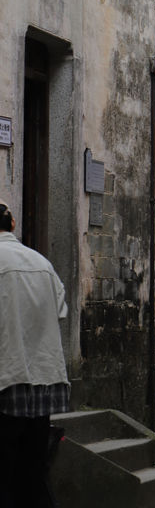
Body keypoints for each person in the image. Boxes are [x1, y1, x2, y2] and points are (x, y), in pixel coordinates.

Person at [0, 201, 70, 508]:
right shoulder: (42, 263)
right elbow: (60, 311)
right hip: (43, 382)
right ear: (13, 223)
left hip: (6, 380)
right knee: (32, 473)